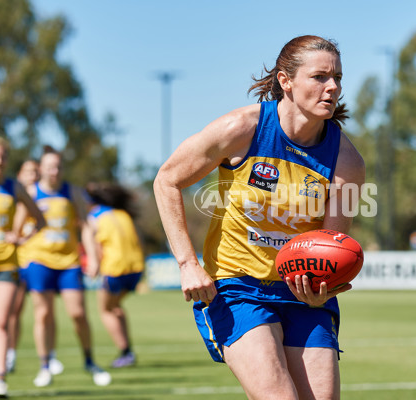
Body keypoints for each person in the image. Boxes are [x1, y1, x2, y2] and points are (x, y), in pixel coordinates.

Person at [154, 35, 365, 399]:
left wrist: (322, 288)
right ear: (286, 81)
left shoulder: (346, 162)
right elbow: (167, 180)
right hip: (238, 287)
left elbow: (331, 246)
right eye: (319, 77)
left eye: (338, 78)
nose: (333, 87)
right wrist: (187, 263)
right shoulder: (241, 129)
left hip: (302, 294)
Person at [21, 146, 111, 387]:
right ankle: (45, 365)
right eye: (50, 166)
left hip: (69, 262)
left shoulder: (71, 192)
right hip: (39, 261)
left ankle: (90, 360)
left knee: (78, 314)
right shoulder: (30, 192)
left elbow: (84, 226)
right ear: (41, 168)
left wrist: (92, 257)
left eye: (59, 166)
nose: (55, 170)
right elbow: (19, 227)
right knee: (43, 314)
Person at [0, 133, 46, 398]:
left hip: (5, 264)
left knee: (0, 321)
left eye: (2, 156)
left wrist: (21, 238)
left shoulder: (14, 187)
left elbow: (40, 219)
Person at [6, 159, 65, 376]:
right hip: (14, 260)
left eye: (34, 172)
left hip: (34, 260)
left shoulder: (38, 196)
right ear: (19, 174)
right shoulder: (12, 195)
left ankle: (50, 355)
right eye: (27, 172)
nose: (32, 175)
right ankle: (9, 352)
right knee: (13, 310)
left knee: (45, 310)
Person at [85, 182, 144, 368]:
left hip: (115, 268)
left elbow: (94, 241)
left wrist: (94, 263)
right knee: (115, 306)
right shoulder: (123, 214)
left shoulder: (95, 216)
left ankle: (126, 352)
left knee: (105, 309)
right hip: (135, 268)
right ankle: (127, 351)